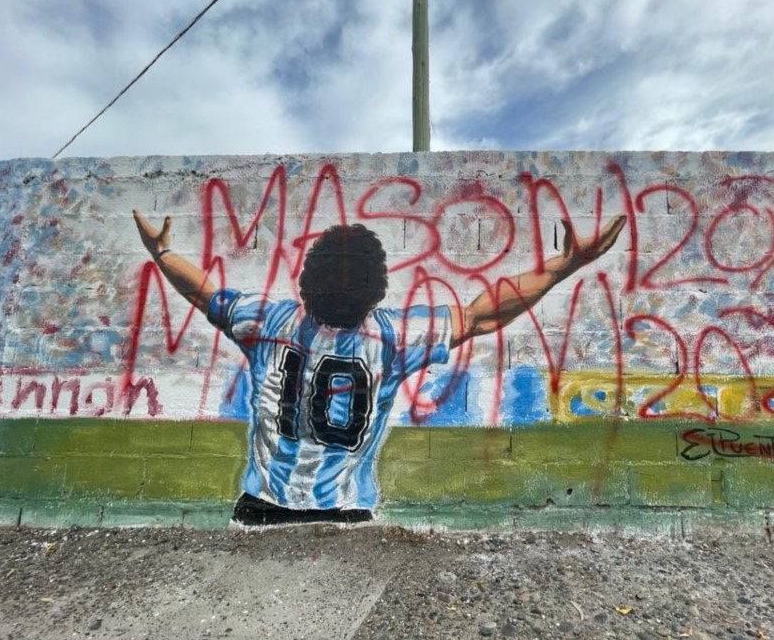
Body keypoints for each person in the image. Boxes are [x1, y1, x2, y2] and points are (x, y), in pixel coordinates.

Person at [133, 209, 627, 525]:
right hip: (346, 513)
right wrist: (566, 265)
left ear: (306, 282)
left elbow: (202, 293)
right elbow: (482, 314)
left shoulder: (266, 322)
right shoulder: (392, 336)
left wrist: (162, 251)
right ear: (376, 293)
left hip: (261, 508)